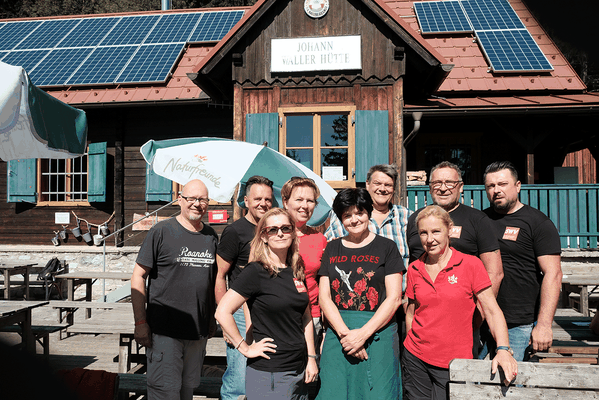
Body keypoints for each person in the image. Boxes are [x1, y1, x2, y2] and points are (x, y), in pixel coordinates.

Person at [403, 205, 517, 399]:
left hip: (453, 362)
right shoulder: (415, 268)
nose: (429, 239)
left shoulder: (470, 264)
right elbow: (411, 313)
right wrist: (413, 343)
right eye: (423, 233)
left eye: (436, 231)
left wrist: (503, 349)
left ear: (449, 230)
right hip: (416, 359)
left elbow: (491, 310)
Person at [215, 208, 318, 399]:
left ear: (293, 232)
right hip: (270, 373)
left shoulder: (296, 269)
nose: (280, 233)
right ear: (263, 236)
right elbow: (222, 312)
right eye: (273, 229)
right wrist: (245, 348)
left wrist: (311, 358)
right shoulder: (256, 271)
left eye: (286, 228)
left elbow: (305, 317)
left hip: (298, 369)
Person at [131, 179, 218, 400]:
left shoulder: (211, 236)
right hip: (164, 332)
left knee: (187, 392)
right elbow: (138, 277)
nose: (197, 204)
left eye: (203, 200)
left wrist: (211, 319)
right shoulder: (161, 231)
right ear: (180, 199)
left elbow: (212, 282)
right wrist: (140, 322)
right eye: (192, 198)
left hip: (197, 333)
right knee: (164, 393)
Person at [406, 161, 503, 356]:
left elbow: (495, 272)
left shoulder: (477, 220)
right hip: (424, 324)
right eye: (437, 183)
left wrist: (478, 314)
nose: (443, 188)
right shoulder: (416, 219)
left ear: (460, 186)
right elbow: (414, 269)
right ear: (430, 187)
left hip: (462, 325)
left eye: (449, 182)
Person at [317, 188, 404, 400]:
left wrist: (363, 334)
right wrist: (346, 335)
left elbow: (394, 298)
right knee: (335, 392)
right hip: (339, 334)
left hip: (378, 333)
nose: (354, 220)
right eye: (347, 215)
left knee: (379, 393)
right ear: (340, 219)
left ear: (369, 213)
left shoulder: (387, 247)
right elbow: (324, 298)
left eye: (360, 213)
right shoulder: (332, 248)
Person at [481, 161, 562, 361]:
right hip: (482, 319)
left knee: (512, 387)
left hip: (519, 323)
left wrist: (543, 325)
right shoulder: (480, 221)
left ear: (517, 186)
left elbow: (553, 274)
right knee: (468, 381)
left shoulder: (538, 222)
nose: (496, 190)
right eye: (491, 186)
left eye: (502, 184)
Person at [215, 175, 274, 400]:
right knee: (238, 379)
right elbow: (220, 276)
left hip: (267, 311)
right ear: (246, 200)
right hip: (240, 312)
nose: (263, 204)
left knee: (263, 373)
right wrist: (224, 321)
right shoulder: (235, 231)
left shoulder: (275, 229)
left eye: (268, 199)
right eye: (257, 198)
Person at [325, 164, 411, 269]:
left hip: (399, 284)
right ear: (367, 184)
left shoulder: (406, 216)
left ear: (394, 188)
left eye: (388, 185)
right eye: (377, 183)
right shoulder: (346, 217)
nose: (382, 189)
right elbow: (327, 250)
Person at [281, 177, 328, 351]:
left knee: (310, 372)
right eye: (299, 199)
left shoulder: (319, 240)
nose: (305, 205)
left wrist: (325, 325)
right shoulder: (274, 235)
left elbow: (324, 282)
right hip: (280, 317)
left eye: (310, 201)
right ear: (286, 202)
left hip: (312, 316)